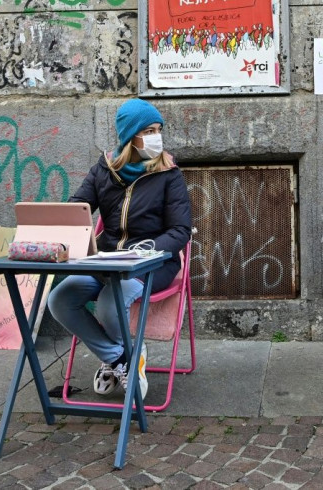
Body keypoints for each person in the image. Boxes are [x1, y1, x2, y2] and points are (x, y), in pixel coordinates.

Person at [47, 99, 192, 400]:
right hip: (106, 260)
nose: (156, 137)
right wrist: (67, 229)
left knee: (109, 303)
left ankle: (116, 359)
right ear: (130, 137)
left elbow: (180, 231)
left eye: (158, 130)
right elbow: (78, 207)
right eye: (148, 131)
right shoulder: (104, 169)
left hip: (153, 262)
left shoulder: (168, 173)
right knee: (60, 299)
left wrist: (145, 252)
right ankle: (120, 357)